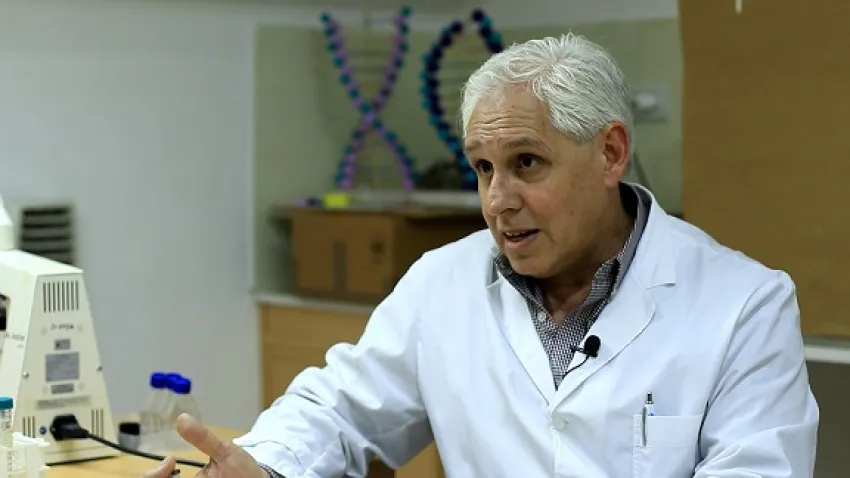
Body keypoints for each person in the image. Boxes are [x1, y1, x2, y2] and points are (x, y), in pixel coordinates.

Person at [143, 33, 819, 478]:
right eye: (483, 168)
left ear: (611, 153)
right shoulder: (443, 282)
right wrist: (264, 464)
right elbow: (340, 407)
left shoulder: (743, 305)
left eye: (527, 163)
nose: (498, 200)